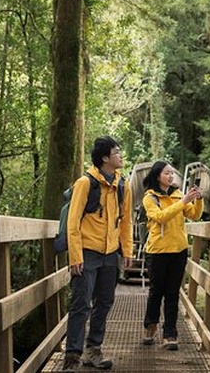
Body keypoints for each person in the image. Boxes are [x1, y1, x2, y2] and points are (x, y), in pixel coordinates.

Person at [62, 136, 133, 372]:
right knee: (81, 303)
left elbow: (126, 221)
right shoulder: (85, 183)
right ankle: (72, 357)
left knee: (104, 302)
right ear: (105, 158)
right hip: (86, 251)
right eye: (116, 152)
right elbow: (73, 222)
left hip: (110, 253)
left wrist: (127, 250)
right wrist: (75, 256)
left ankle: (93, 349)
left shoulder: (123, 184)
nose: (120, 155)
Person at [140, 161, 204, 350]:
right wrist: (183, 202)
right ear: (157, 175)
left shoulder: (178, 195)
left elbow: (194, 215)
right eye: (167, 173)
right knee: (156, 292)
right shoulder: (149, 198)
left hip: (178, 251)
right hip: (157, 251)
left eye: (172, 173)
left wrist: (197, 199)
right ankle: (151, 326)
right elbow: (160, 217)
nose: (171, 176)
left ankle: (170, 334)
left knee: (172, 293)